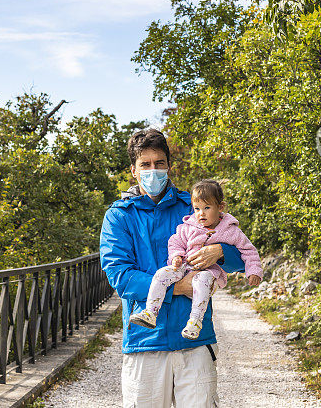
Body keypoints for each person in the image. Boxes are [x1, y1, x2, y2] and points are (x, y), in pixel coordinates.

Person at [99, 128, 247, 408]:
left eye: (159, 163)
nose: (153, 170)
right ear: (134, 170)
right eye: (145, 164)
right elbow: (121, 277)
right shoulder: (119, 216)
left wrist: (220, 251)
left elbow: (242, 257)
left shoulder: (194, 207)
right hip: (144, 342)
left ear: (169, 166)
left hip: (195, 340)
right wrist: (179, 287)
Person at [129, 179, 263, 340]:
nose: (201, 213)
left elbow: (248, 251)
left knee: (202, 280)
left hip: (208, 274)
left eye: (207, 208)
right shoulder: (188, 226)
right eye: (197, 208)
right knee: (161, 274)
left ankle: (195, 322)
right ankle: (150, 312)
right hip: (184, 267)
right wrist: (176, 256)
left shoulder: (230, 231)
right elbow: (175, 241)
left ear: (220, 207)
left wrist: (253, 271)